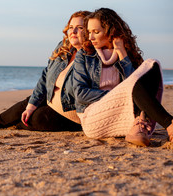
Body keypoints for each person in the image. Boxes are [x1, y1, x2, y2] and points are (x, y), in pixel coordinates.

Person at [0, 10, 91, 132]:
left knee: (37, 117)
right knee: (28, 103)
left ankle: (14, 124)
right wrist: (30, 106)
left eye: (79, 28)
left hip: (69, 111)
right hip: (51, 98)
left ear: (88, 31)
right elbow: (45, 76)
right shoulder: (63, 47)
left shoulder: (92, 58)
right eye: (71, 27)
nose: (73, 32)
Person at [71, 8, 173, 146]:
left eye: (96, 32)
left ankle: (138, 127)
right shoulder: (84, 56)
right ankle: (169, 123)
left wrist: (122, 54)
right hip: (93, 117)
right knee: (133, 85)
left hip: (124, 112)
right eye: (89, 32)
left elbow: (138, 88)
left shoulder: (126, 55)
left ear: (111, 32)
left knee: (152, 65)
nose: (90, 37)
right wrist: (118, 94)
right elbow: (80, 94)